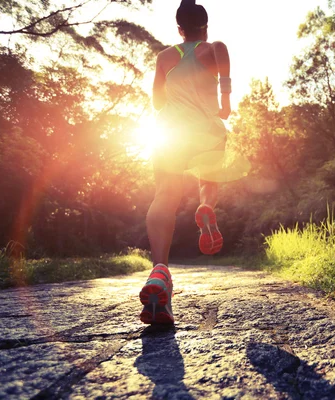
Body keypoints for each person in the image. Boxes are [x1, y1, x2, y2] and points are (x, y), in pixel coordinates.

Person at [139, 0, 231, 324]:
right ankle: (206, 208)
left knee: (165, 194)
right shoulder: (215, 47)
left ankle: (159, 272)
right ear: (206, 26)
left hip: (171, 134)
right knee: (209, 177)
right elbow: (225, 89)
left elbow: (157, 101)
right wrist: (224, 102)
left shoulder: (165, 57)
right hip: (206, 131)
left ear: (179, 29)